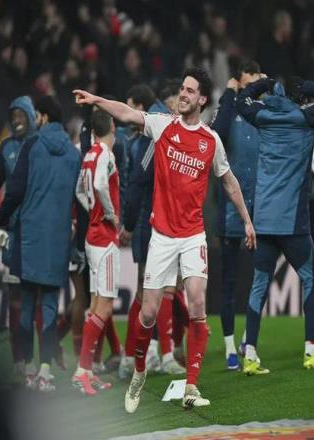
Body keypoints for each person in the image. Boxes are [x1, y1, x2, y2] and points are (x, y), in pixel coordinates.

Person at [73, 66, 256, 412]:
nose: (183, 94)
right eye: (182, 89)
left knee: (198, 304)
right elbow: (127, 113)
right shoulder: (162, 125)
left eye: (190, 91)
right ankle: (140, 371)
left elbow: (229, 181)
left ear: (202, 99)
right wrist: (97, 100)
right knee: (148, 314)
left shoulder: (210, 141)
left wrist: (247, 220)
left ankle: (191, 386)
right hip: (161, 236)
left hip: (193, 235)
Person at [236, 74, 314, 375]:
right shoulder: (304, 118)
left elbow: (241, 101)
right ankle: (311, 350)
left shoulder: (262, 116)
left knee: (259, 285)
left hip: (263, 219)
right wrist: (307, 85)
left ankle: (250, 354)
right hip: (291, 221)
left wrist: (261, 84)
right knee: (312, 278)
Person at [0, 96, 81, 391]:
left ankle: (29, 367)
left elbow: (15, 190)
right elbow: (79, 198)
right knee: (50, 304)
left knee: (28, 302)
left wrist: (1, 221)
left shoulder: (32, 146)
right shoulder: (73, 154)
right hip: (58, 238)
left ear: (42, 117)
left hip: (29, 235)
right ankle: (45, 371)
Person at [118, 83, 186, 379]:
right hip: (157, 221)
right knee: (157, 289)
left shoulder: (155, 131)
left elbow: (139, 180)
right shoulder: (159, 130)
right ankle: (150, 354)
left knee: (156, 289)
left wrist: (129, 223)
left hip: (157, 221)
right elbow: (141, 179)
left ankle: (148, 354)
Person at [0, 96, 38, 378]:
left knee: (34, 297)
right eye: (13, 116)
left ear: (31, 116)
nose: (16, 120)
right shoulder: (7, 147)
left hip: (38, 232)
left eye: (21, 115)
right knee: (15, 297)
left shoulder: (40, 145)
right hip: (13, 234)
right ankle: (18, 361)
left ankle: (33, 359)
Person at [211, 60, 261, 370]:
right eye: (250, 83)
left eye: (258, 82)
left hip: (260, 210)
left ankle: (247, 339)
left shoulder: (263, 111)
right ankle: (230, 347)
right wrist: (229, 94)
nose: (255, 88)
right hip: (231, 211)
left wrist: (269, 88)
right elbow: (215, 133)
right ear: (239, 83)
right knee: (228, 282)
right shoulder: (229, 112)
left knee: (261, 278)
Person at [71, 109, 120, 396]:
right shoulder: (105, 154)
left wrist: (92, 210)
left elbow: (80, 190)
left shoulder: (88, 154)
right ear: (112, 127)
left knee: (94, 306)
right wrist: (110, 214)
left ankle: (88, 371)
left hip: (91, 237)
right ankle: (82, 370)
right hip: (104, 239)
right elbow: (101, 185)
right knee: (105, 306)